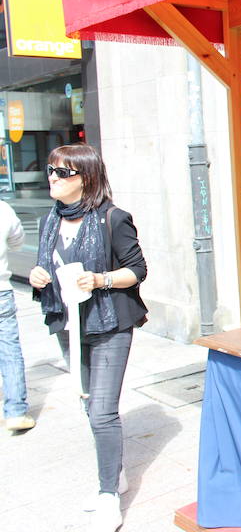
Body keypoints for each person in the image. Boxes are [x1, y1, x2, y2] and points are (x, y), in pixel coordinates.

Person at [28, 143, 147, 532]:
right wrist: (38, 275)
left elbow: (137, 270)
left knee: (101, 411)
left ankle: (108, 495)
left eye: (62, 173)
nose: (52, 178)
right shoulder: (51, 220)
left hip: (110, 324)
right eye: (50, 170)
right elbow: (48, 264)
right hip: (69, 324)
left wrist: (101, 280)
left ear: (86, 178)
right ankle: (117, 472)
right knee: (87, 402)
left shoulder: (113, 218)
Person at [0, 199, 33, 432]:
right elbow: (18, 241)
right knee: (9, 349)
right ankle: (16, 412)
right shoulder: (3, 209)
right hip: (1, 292)